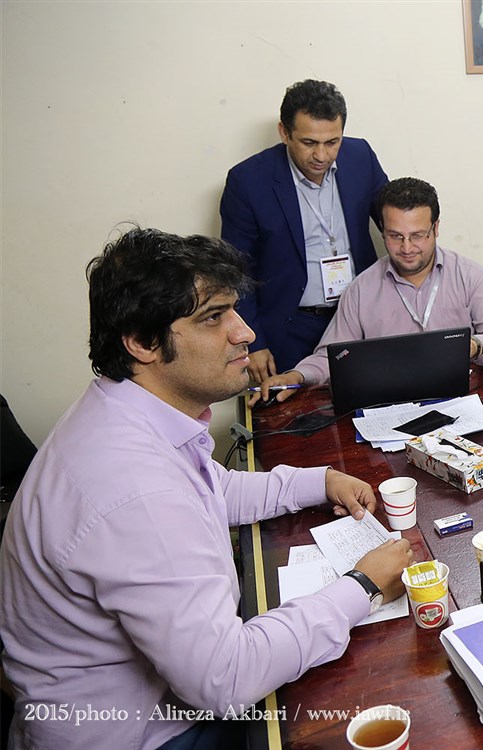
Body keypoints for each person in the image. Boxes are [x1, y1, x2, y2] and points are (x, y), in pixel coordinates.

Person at [0, 228, 413, 750]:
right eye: (213, 317)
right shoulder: (136, 490)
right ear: (142, 342)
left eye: (234, 311)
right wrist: (363, 585)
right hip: (143, 734)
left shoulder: (122, 414)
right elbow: (227, 681)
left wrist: (320, 480)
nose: (244, 332)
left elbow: (213, 489)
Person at [253, 178, 483, 404]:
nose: (407, 248)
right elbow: (333, 357)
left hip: (460, 401)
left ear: (436, 228)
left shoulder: (470, 275)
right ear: (382, 230)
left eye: (417, 235)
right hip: (389, 407)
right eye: (395, 236)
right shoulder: (362, 289)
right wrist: (296, 376)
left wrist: (473, 346)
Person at [220, 79, 388, 380]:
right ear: (284, 132)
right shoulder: (248, 181)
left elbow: (395, 222)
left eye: (332, 142)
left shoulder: (360, 157)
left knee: (372, 400)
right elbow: (236, 271)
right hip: (291, 326)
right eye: (309, 143)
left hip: (360, 317)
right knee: (295, 406)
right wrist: (254, 342)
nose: (321, 156)